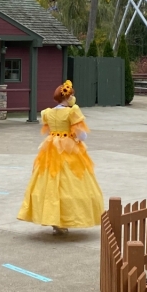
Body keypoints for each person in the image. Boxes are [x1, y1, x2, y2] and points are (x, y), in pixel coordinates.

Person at [17, 80, 104, 235]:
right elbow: (82, 135)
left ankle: (53, 217)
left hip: (51, 147)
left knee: (50, 182)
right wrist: (75, 137)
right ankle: (65, 218)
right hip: (69, 147)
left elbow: (49, 128)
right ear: (68, 97)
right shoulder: (72, 111)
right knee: (71, 183)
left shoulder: (48, 112)